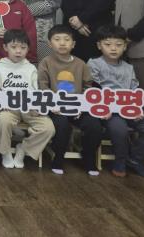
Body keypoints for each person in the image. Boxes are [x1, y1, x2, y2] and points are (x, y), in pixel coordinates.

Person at [89, 25, 144, 178]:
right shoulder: (94, 64)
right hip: (108, 111)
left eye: (118, 44)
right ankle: (120, 161)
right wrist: (102, 108)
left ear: (125, 46)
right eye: (108, 44)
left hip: (128, 109)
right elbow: (91, 90)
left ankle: (135, 159)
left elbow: (135, 90)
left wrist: (137, 109)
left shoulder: (128, 68)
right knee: (119, 129)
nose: (113, 48)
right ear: (99, 46)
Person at [38, 25, 102, 176]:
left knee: (94, 125)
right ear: (50, 44)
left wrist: (82, 106)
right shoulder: (46, 62)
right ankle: (58, 158)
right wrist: (52, 105)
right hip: (55, 107)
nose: (62, 43)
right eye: (57, 39)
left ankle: (88, 158)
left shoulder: (81, 64)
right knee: (62, 125)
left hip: (78, 108)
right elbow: (43, 86)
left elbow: (88, 87)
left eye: (66, 40)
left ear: (73, 44)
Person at [0, 29, 55, 168]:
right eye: (13, 47)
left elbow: (36, 91)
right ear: (5, 47)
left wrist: (36, 106)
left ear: (28, 49)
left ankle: (23, 149)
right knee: (3, 121)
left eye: (23, 48)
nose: (18, 51)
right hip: (8, 108)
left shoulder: (31, 68)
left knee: (48, 128)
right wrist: (2, 104)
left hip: (29, 108)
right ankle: (5, 152)